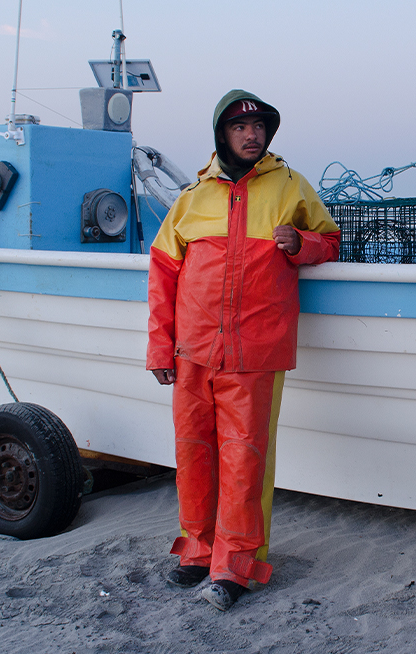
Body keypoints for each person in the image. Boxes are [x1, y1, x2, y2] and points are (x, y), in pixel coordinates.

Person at [147, 89, 341, 612]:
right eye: (239, 128)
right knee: (193, 452)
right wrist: (160, 348)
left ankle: (235, 565)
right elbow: (163, 274)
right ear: (222, 135)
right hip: (192, 350)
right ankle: (197, 550)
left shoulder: (291, 186)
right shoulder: (192, 198)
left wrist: (302, 244)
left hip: (255, 352)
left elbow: (331, 240)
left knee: (244, 459)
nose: (251, 135)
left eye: (258, 127)